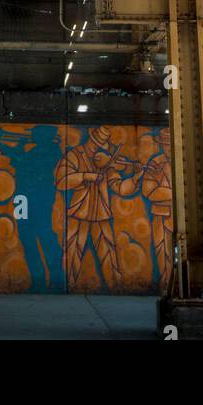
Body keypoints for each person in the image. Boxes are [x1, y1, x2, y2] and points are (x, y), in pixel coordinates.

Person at [55, 125, 140, 291]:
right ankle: (67, 287)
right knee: (72, 254)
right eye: (98, 145)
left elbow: (119, 187)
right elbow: (61, 181)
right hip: (79, 213)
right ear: (92, 142)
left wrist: (135, 178)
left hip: (101, 215)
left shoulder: (107, 163)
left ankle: (115, 289)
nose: (100, 150)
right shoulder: (74, 155)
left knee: (109, 255)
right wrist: (85, 176)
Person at [141, 129, 173, 292]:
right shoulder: (155, 163)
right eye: (166, 145)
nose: (169, 148)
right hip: (160, 215)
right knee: (161, 250)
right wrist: (176, 194)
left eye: (170, 144)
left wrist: (163, 192)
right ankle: (166, 284)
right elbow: (149, 191)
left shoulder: (186, 162)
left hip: (181, 216)